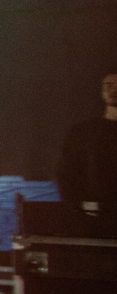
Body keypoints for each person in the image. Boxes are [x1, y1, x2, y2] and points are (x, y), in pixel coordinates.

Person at [54, 72, 117, 216]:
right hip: (94, 218)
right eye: (108, 85)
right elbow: (65, 175)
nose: (113, 90)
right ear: (102, 91)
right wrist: (80, 207)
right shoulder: (83, 132)